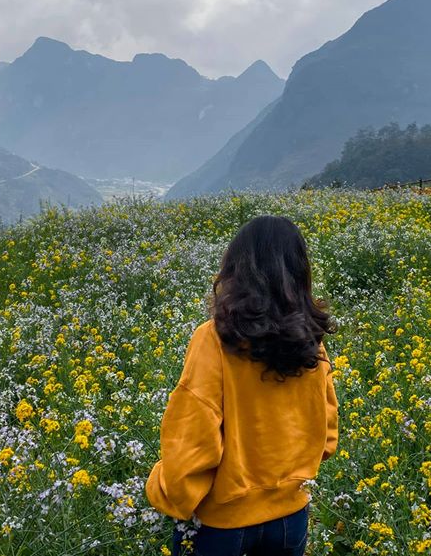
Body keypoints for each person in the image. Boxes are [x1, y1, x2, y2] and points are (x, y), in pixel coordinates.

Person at [145, 215, 339, 556]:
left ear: (236, 268)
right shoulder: (311, 340)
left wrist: (166, 493)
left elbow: (195, 437)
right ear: (299, 271)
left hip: (221, 525)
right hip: (291, 516)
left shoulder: (215, 339)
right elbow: (326, 431)